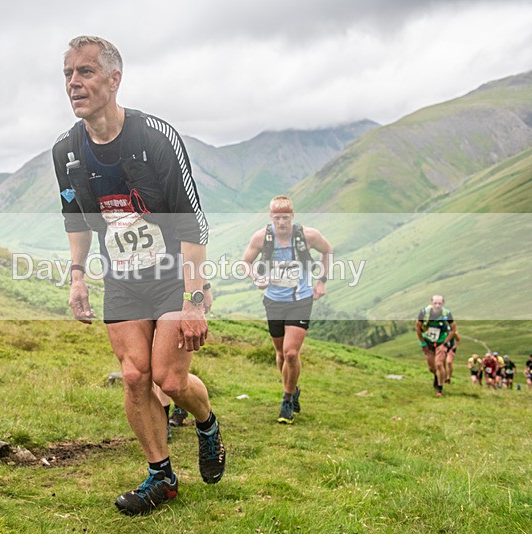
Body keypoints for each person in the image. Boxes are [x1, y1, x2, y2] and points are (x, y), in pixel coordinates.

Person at [53, 36, 224, 516]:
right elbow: (76, 222)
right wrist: (78, 276)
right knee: (134, 375)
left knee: (170, 380)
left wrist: (194, 300)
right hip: (123, 279)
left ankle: (207, 425)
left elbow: (193, 224)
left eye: (85, 72)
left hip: (173, 275)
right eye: (67, 73)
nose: (73, 82)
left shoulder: (155, 138)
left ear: (114, 79)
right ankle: (161, 477)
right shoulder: (66, 150)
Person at [241, 195, 333, 424]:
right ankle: (293, 386)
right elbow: (245, 262)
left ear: (292, 216)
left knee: (292, 353)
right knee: (281, 354)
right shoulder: (262, 237)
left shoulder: (307, 236)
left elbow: (328, 250)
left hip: (300, 300)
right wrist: (255, 278)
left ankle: (287, 399)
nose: (281, 222)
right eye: (277, 217)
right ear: (271, 217)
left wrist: (322, 281)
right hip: (273, 300)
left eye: (285, 217)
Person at [415, 295, 456, 397]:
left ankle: (440, 389)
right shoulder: (424, 312)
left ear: (443, 304)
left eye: (439, 303)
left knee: (439, 364)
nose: (437, 305)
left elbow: (453, 330)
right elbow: (417, 327)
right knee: (431, 367)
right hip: (428, 341)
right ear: (431, 303)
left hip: (441, 341)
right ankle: (437, 376)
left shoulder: (447, 313)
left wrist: (445, 343)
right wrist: (423, 343)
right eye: (435, 303)